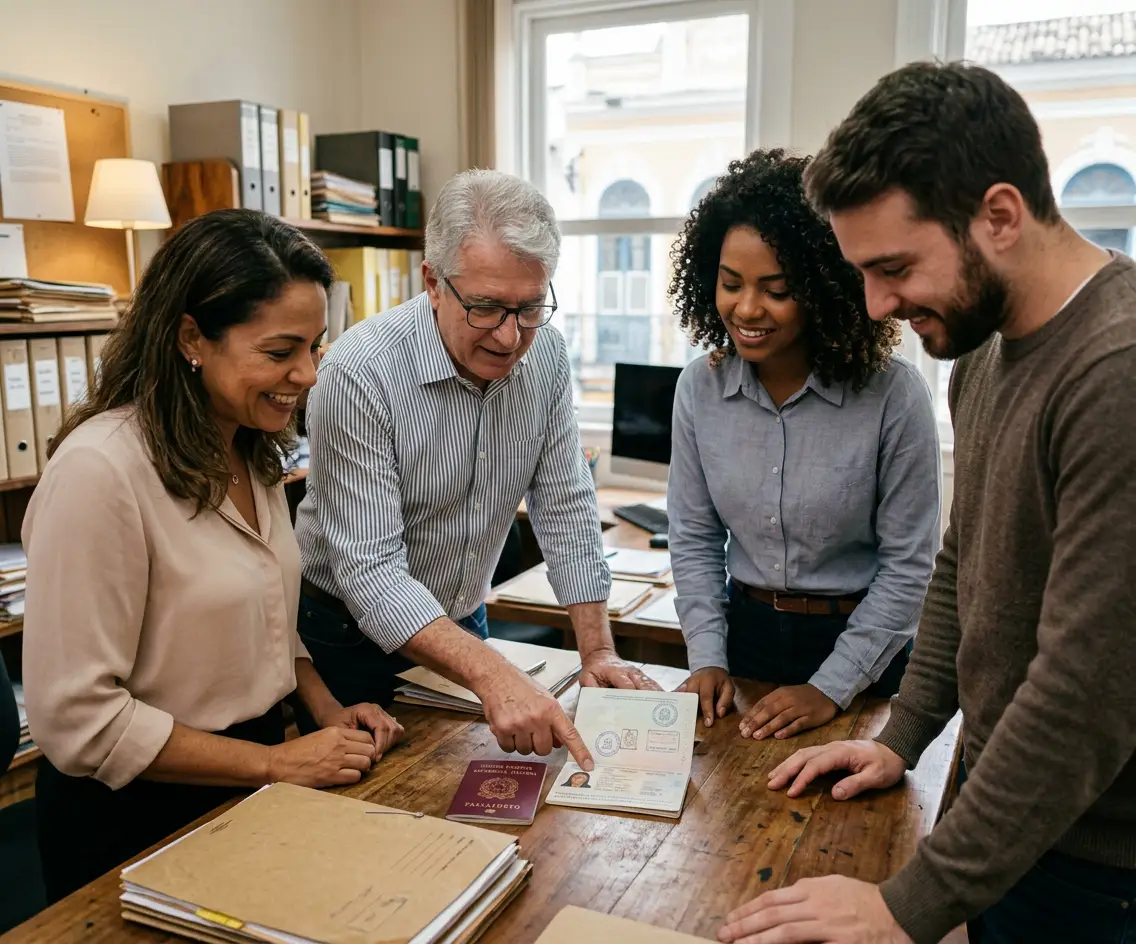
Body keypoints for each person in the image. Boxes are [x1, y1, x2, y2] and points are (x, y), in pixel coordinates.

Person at [717, 62, 1136, 944]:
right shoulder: (981, 354)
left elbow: (1086, 695)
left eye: (895, 267)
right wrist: (899, 738)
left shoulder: (1115, 375)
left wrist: (911, 904)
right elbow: (961, 569)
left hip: (1103, 870)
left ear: (1000, 216)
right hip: (1007, 822)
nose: (878, 304)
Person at [21, 210, 404, 904]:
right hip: (132, 812)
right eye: (281, 350)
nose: (309, 374)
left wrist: (323, 708)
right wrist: (273, 762)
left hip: (250, 778)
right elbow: (78, 719)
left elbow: (265, 618)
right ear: (192, 337)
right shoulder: (100, 473)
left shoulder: (251, 450)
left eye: (317, 346)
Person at [295, 169, 657, 772]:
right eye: (487, 308)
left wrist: (597, 651)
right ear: (433, 282)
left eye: (531, 307)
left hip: (463, 617)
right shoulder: (360, 372)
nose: (512, 336)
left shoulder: (548, 353)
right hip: (346, 634)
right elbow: (372, 574)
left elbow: (565, 504)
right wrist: (497, 675)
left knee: (465, 796)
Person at [669, 149, 940, 740]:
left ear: (823, 288)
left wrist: (830, 687)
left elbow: (909, 569)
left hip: (865, 651)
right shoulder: (700, 387)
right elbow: (693, 538)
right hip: (745, 641)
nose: (746, 308)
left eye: (776, 288)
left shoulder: (894, 396)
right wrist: (706, 655)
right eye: (730, 283)